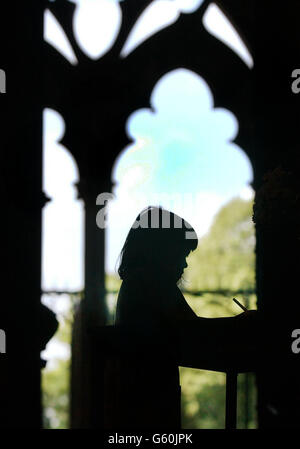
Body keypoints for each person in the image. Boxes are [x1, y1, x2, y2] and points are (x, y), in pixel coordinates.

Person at [104, 206, 258, 429]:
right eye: (182, 254)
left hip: (135, 393)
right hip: (151, 395)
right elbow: (194, 332)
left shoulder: (135, 283)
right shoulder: (154, 283)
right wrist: (241, 324)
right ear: (162, 250)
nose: (184, 264)